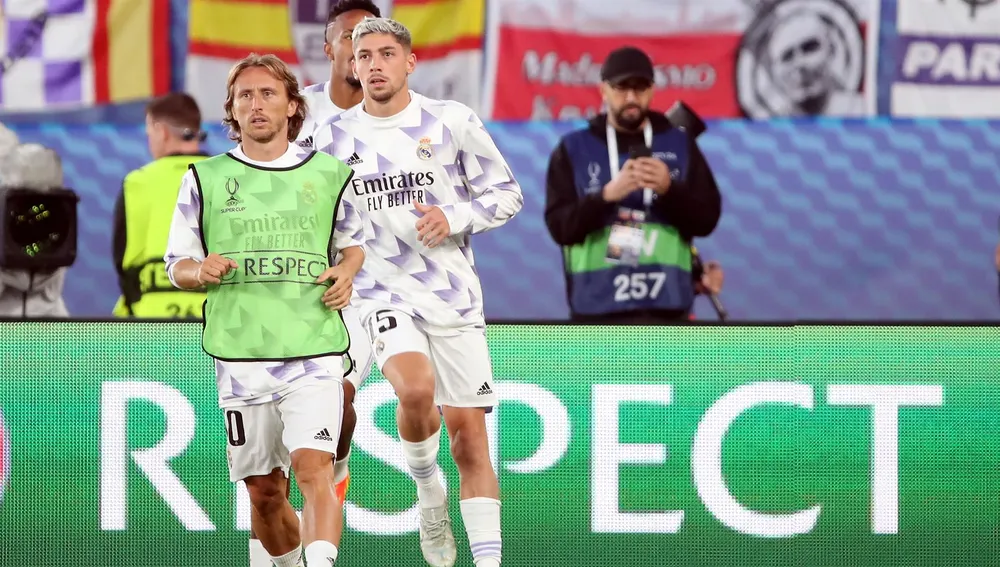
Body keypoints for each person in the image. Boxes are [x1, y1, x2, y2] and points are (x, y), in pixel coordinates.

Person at [313, 17, 523, 567]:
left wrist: (453, 215)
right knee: (413, 387)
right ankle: (429, 490)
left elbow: (507, 195)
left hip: (452, 295)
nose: (374, 64)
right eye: (364, 56)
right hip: (378, 290)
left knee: (470, 441)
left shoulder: (451, 121)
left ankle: (483, 555)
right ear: (351, 65)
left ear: (410, 62)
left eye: (386, 54)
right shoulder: (330, 136)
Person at [164, 53, 365, 567]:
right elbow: (175, 265)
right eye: (245, 95)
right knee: (264, 493)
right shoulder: (204, 178)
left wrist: (346, 272)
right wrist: (198, 271)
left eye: (268, 93)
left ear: (292, 105)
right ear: (231, 109)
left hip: (313, 347)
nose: (257, 103)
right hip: (240, 353)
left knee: (314, 470)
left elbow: (354, 246)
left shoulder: (328, 175)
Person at [248, 2, 381, 564]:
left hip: (364, 287)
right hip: (289, 286)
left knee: (340, 404)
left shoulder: (411, 118)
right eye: (348, 36)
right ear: (328, 47)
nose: (358, 47)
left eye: (370, 37)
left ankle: (335, 475)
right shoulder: (298, 111)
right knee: (269, 466)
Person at [544, 46, 722, 324]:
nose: (631, 97)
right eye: (621, 88)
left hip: (668, 307)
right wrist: (605, 197)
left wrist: (669, 190)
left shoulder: (679, 144)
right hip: (596, 310)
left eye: (640, 88)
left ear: (652, 90)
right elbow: (559, 227)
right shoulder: (573, 149)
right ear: (603, 90)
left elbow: (707, 219)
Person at [112, 93, 209, 318]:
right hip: (215, 323)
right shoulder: (228, 178)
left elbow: (123, 262)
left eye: (149, 134)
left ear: (162, 132)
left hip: (150, 323)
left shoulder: (137, 182)